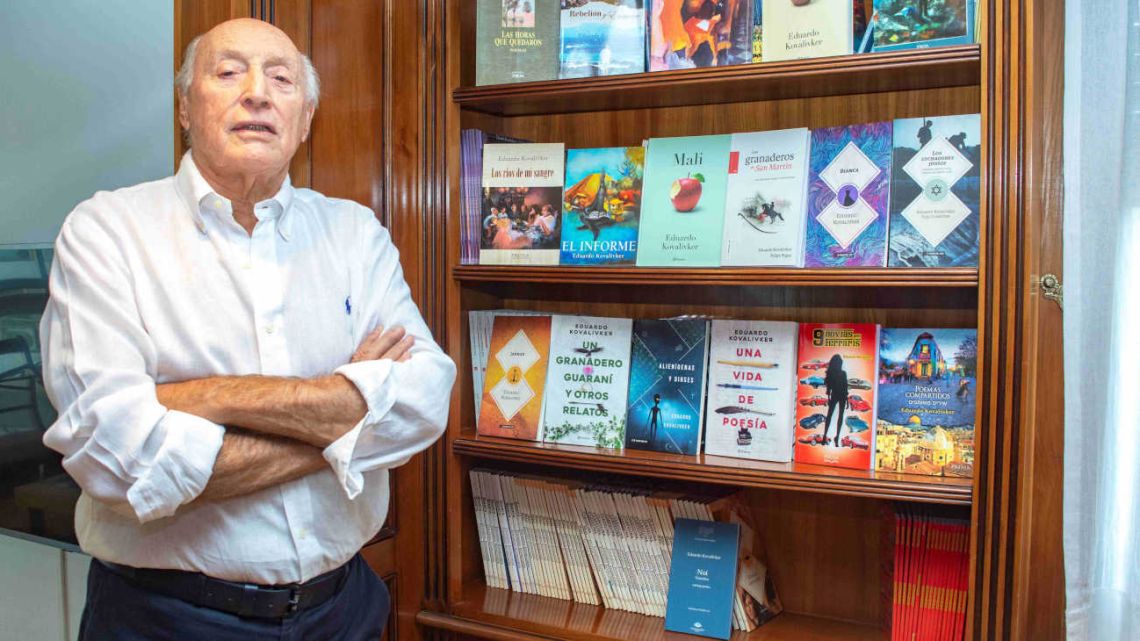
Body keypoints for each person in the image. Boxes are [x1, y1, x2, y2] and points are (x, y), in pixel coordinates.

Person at [38, 18, 456, 641]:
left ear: (305, 119)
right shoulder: (107, 232)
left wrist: (203, 398)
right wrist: (349, 423)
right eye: (229, 72)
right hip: (165, 619)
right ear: (186, 106)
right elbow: (115, 457)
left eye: (281, 79)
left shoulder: (355, 233)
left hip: (345, 609)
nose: (257, 93)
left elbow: (424, 399)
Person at [822, 354, 849, 447]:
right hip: (838, 396)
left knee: (835, 416)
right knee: (832, 416)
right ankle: (827, 436)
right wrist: (829, 398)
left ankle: (834, 437)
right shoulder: (838, 373)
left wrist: (846, 399)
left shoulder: (837, 373)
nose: (840, 364)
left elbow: (845, 386)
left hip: (839, 396)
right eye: (840, 363)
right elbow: (830, 388)